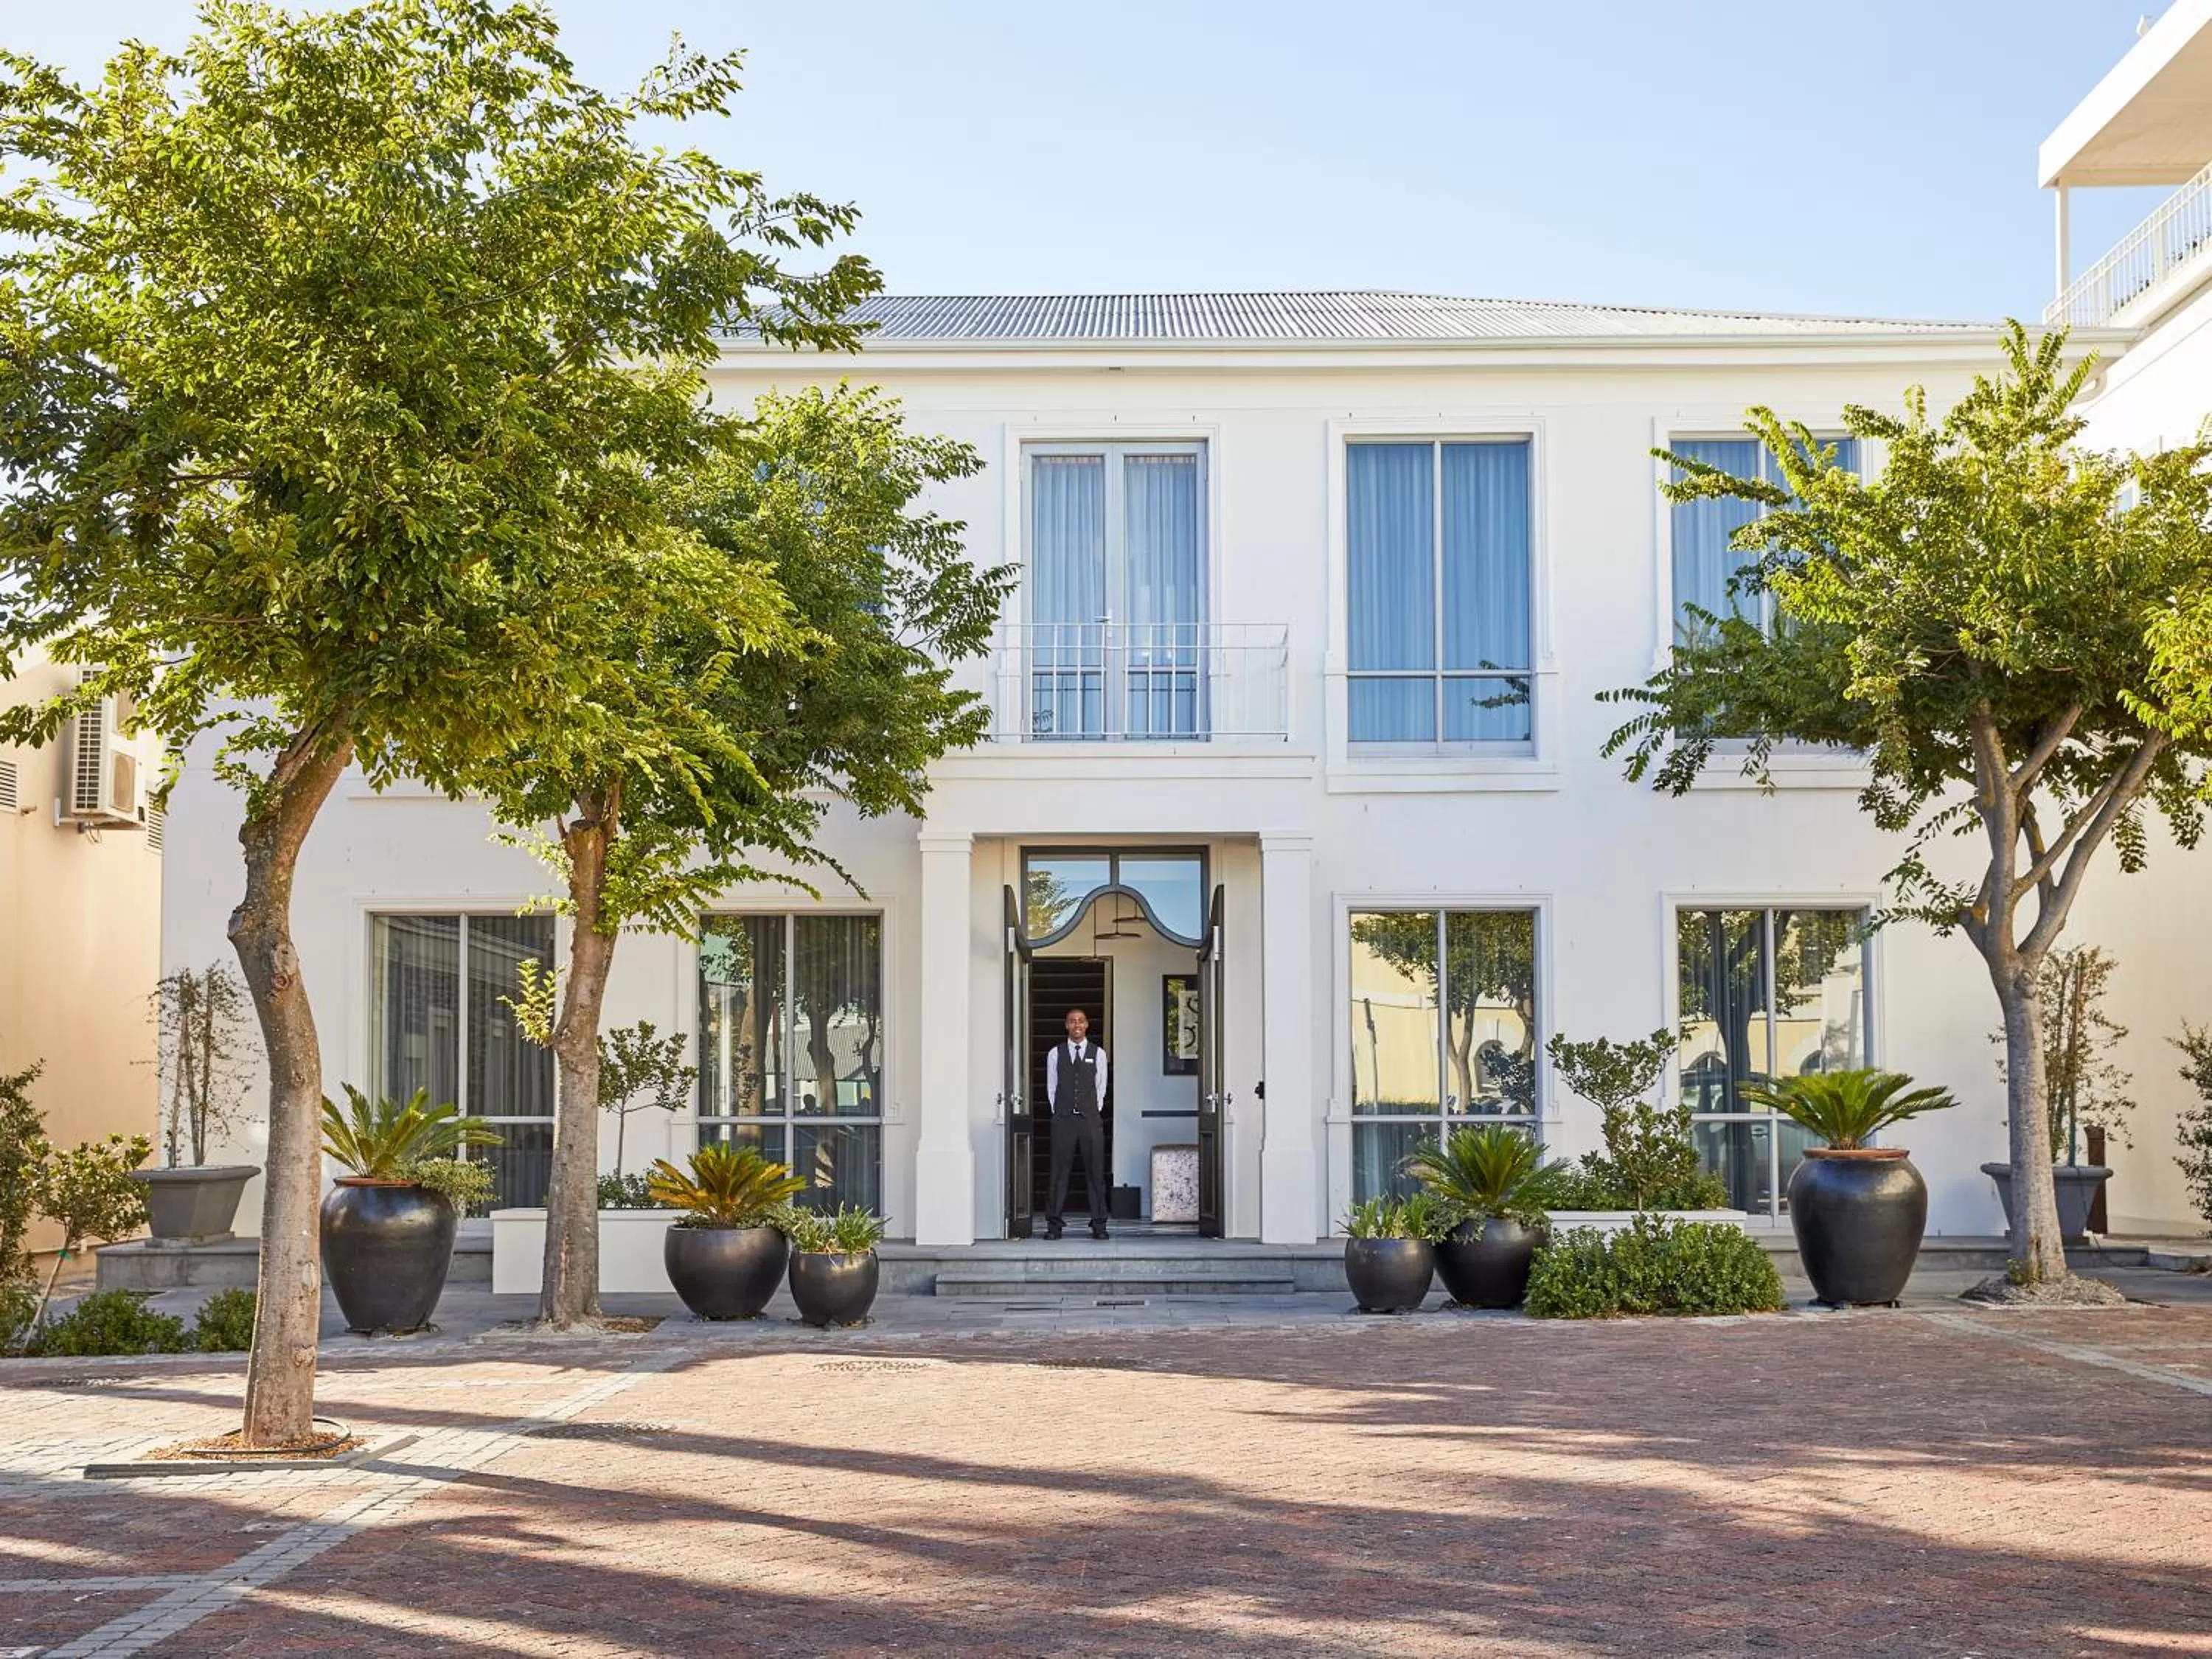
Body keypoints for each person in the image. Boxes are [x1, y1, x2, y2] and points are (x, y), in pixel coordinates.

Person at [1043, 1006, 1110, 1240]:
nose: (1077, 1025)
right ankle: (1054, 1225)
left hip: (1090, 1119)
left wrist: (1093, 1109)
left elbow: (1101, 1085)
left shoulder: (1098, 1053)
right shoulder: (1055, 1053)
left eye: (1081, 1021)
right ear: (1066, 1025)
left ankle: (1099, 1224)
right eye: (1072, 1021)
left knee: (1095, 1172)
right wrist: (1059, 1110)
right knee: (1059, 1173)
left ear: (1087, 1024)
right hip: (1063, 1120)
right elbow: (1051, 1086)